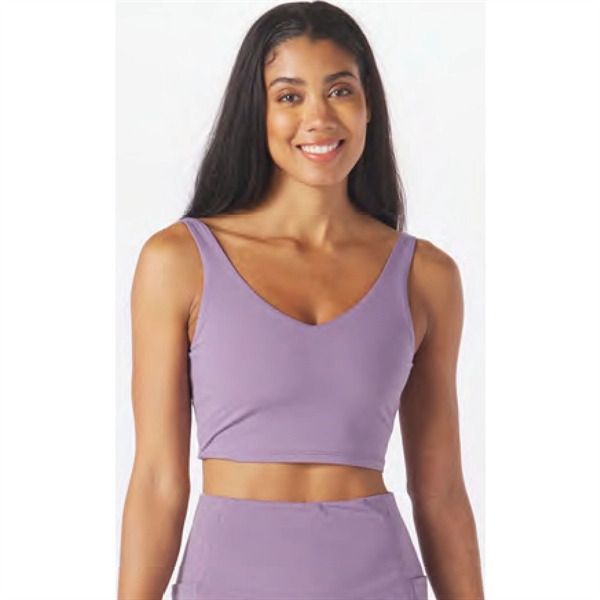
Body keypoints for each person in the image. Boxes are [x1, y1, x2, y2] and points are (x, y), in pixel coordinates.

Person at [118, 2, 484, 599]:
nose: (318, 117)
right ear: (256, 111)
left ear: (368, 105)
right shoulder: (178, 261)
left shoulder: (426, 276)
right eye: (289, 96)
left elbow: (440, 491)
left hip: (380, 582)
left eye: (340, 91)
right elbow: (158, 480)